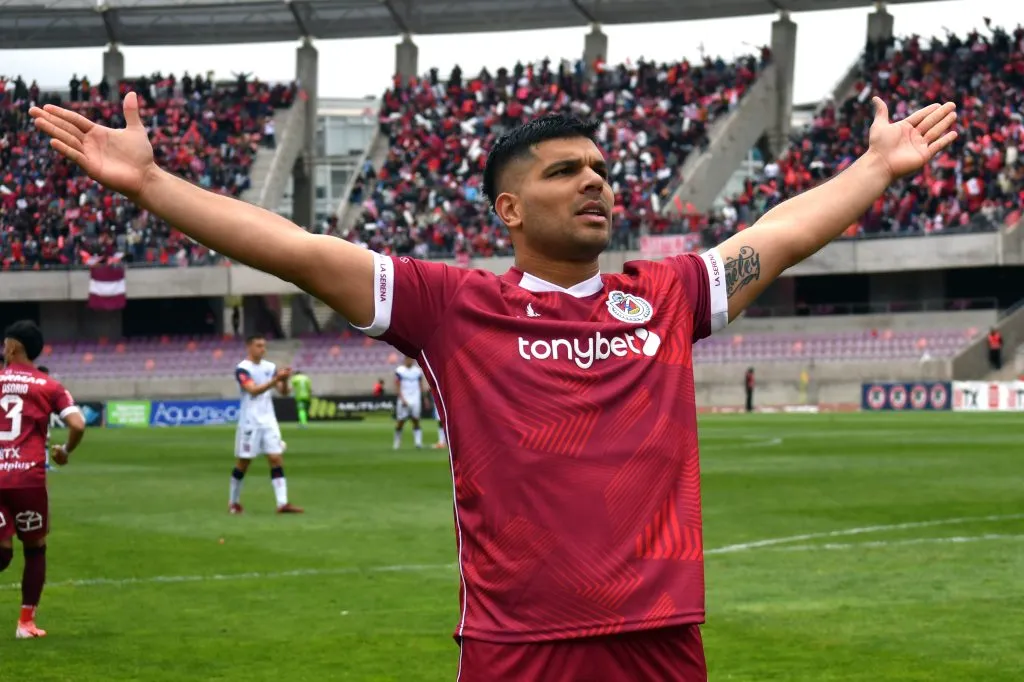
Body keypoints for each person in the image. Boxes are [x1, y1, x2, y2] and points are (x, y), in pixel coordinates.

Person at [30, 92, 956, 679]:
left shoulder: (666, 296)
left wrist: (876, 166)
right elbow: (300, 252)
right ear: (510, 209)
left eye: (599, 169)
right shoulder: (451, 305)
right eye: (566, 172)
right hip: (521, 651)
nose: (595, 182)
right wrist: (152, 187)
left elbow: (783, 234)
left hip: (663, 639)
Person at [0, 321, 86, 638]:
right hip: (28, 480)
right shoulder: (50, 386)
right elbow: (77, 424)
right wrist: (64, 451)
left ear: (11, 347)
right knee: (35, 548)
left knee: (3, 553)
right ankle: (26, 624)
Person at [230, 334, 302, 515]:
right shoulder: (242, 369)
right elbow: (253, 390)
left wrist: (284, 380)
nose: (263, 349)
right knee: (244, 463)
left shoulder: (270, 367)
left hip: (269, 420)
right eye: (259, 346)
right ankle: (234, 502)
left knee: (276, 459)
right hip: (250, 422)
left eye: (264, 346)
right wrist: (275, 380)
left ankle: (282, 503)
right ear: (249, 347)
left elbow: (284, 393)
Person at [393, 356, 426, 450]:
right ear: (405, 360)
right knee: (400, 421)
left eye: (411, 359)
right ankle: (397, 442)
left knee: (416, 420)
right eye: (408, 359)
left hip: (415, 398)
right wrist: (402, 398)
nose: (409, 360)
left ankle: (418, 443)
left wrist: (424, 398)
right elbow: (397, 385)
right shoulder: (400, 371)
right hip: (404, 399)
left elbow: (420, 385)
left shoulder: (417, 371)